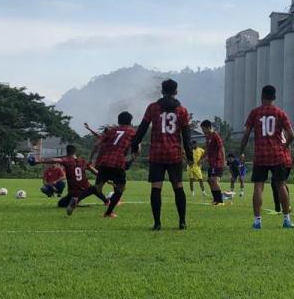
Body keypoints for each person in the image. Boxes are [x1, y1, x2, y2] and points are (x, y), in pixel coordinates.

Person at [131, 79, 194, 231]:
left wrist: (134, 146)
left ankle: (157, 223)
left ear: (162, 91)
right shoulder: (182, 111)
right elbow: (186, 137)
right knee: (178, 187)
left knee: (156, 188)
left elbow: (142, 128)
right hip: (174, 154)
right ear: (176, 91)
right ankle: (182, 222)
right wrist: (190, 156)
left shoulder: (153, 108)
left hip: (157, 154)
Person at [239, 85, 294, 230]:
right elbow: (292, 134)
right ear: (274, 97)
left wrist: (241, 150)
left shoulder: (255, 113)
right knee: (281, 185)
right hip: (277, 154)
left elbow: (245, 135)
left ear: (262, 96)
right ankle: (287, 219)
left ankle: (257, 221)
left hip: (260, 155)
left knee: (258, 187)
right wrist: (284, 146)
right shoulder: (280, 113)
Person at [39, 145, 107, 216]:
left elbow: (54, 160)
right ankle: (106, 201)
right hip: (85, 189)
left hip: (73, 192)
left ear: (67, 152)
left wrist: (39, 161)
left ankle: (75, 201)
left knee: (61, 204)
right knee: (94, 188)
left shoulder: (66, 161)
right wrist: (105, 178)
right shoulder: (83, 161)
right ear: (75, 152)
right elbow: (94, 171)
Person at [92, 111, 136, 218]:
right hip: (118, 162)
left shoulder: (112, 131)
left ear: (118, 120)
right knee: (120, 189)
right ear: (130, 121)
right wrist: (133, 158)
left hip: (104, 161)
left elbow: (97, 143)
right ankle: (108, 212)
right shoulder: (131, 132)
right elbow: (137, 148)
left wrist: (91, 159)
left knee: (98, 187)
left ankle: (78, 198)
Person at [200, 120, 225, 206]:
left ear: (208, 127)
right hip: (211, 163)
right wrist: (201, 159)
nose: (203, 131)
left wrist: (224, 160)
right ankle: (215, 199)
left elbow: (221, 148)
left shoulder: (215, 135)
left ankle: (220, 200)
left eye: (203, 129)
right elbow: (207, 150)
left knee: (213, 180)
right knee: (209, 180)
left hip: (217, 162)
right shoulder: (208, 137)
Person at [270, 145, 293, 214]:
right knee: (282, 184)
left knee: (276, 184)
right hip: (288, 162)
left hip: (281, 162)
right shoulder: (284, 137)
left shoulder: (277, 138)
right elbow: (289, 148)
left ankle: (278, 209)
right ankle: (286, 207)